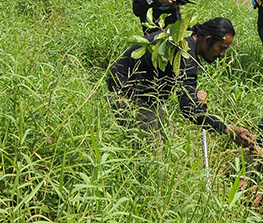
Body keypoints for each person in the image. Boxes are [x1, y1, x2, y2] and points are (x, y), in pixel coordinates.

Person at [107, 17, 252, 143]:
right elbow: (189, 109)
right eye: (222, 48)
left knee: (166, 137)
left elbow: (181, 84)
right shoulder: (185, 53)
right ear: (208, 41)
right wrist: (227, 129)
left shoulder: (186, 35)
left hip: (145, 90)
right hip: (126, 90)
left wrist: (193, 93)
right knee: (151, 150)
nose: (223, 54)